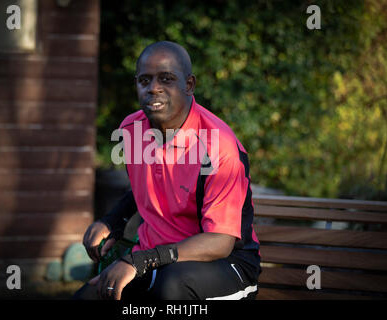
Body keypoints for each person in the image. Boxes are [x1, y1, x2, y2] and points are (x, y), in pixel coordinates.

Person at [73, 41, 261, 300]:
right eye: (145, 80)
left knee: (171, 288)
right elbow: (146, 190)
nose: (154, 88)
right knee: (88, 298)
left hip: (225, 266)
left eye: (166, 78)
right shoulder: (131, 130)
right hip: (155, 260)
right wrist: (112, 221)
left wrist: (140, 261)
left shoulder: (219, 145)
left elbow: (220, 241)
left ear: (189, 85)